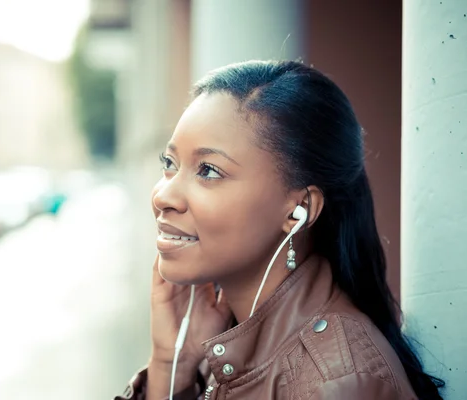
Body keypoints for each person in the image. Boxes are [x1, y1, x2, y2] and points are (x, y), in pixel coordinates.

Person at [115, 61, 444, 400]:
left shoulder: (337, 384)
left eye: (209, 171)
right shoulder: (219, 346)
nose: (163, 196)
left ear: (299, 209)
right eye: (170, 163)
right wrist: (173, 364)